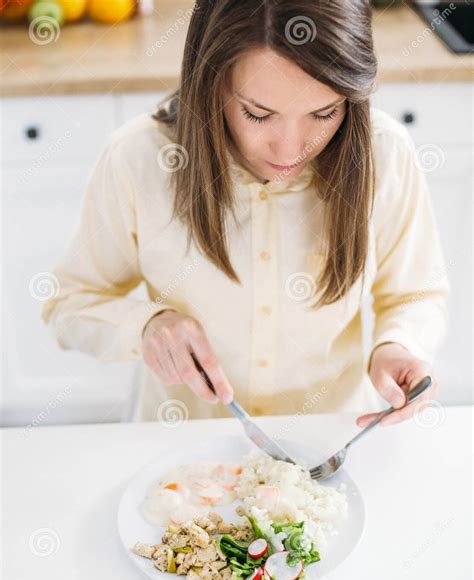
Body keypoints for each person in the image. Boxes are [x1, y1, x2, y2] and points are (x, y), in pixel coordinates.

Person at [41, 0, 449, 428]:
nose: (292, 150)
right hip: (183, 452)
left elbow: (416, 293)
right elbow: (68, 304)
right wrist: (147, 325)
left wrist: (399, 344)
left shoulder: (385, 154)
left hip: (330, 438)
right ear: (210, 83)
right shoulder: (140, 159)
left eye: (324, 113)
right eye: (258, 114)